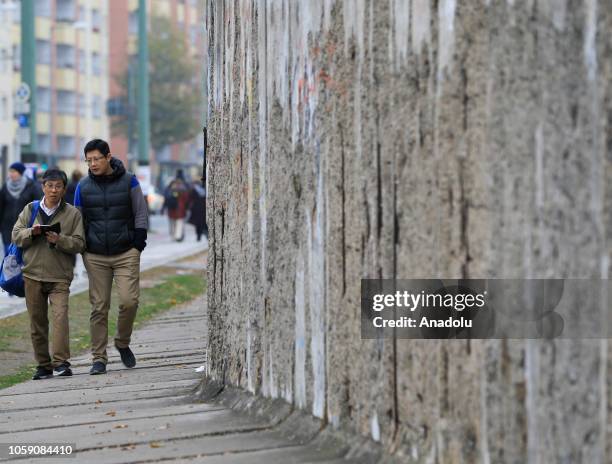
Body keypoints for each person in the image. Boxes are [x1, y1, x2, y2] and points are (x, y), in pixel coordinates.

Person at [74, 139, 149, 375]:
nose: (93, 164)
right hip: (95, 255)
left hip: (126, 251)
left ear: (108, 157)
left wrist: (138, 244)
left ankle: (122, 342)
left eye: (96, 159)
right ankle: (99, 358)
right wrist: (83, 247)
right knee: (99, 307)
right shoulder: (82, 186)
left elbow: (140, 212)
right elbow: (77, 220)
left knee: (129, 301)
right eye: (88, 160)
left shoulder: (130, 180)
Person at [12, 169, 85, 380]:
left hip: (59, 276)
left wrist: (60, 240)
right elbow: (15, 236)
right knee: (37, 322)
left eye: (58, 186)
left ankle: (61, 362)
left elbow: (80, 243)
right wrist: (31, 232)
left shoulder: (73, 213)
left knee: (60, 318)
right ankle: (43, 365)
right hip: (32, 275)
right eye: (49, 186)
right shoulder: (30, 209)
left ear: (64, 189)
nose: (53, 190)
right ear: (43, 187)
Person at [0, 162, 43, 255]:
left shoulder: (31, 186)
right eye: (10, 171)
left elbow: (38, 206)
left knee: (22, 255)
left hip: (25, 227)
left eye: (14, 171)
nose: (11, 174)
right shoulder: (5, 186)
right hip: (7, 227)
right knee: (8, 255)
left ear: (20, 172)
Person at [163, 170, 191, 242]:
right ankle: (178, 236)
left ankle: (173, 236)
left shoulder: (170, 188)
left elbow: (166, 198)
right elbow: (187, 199)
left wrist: (164, 207)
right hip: (180, 209)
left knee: (173, 223)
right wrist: (187, 208)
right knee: (179, 222)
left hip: (171, 209)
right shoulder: (184, 188)